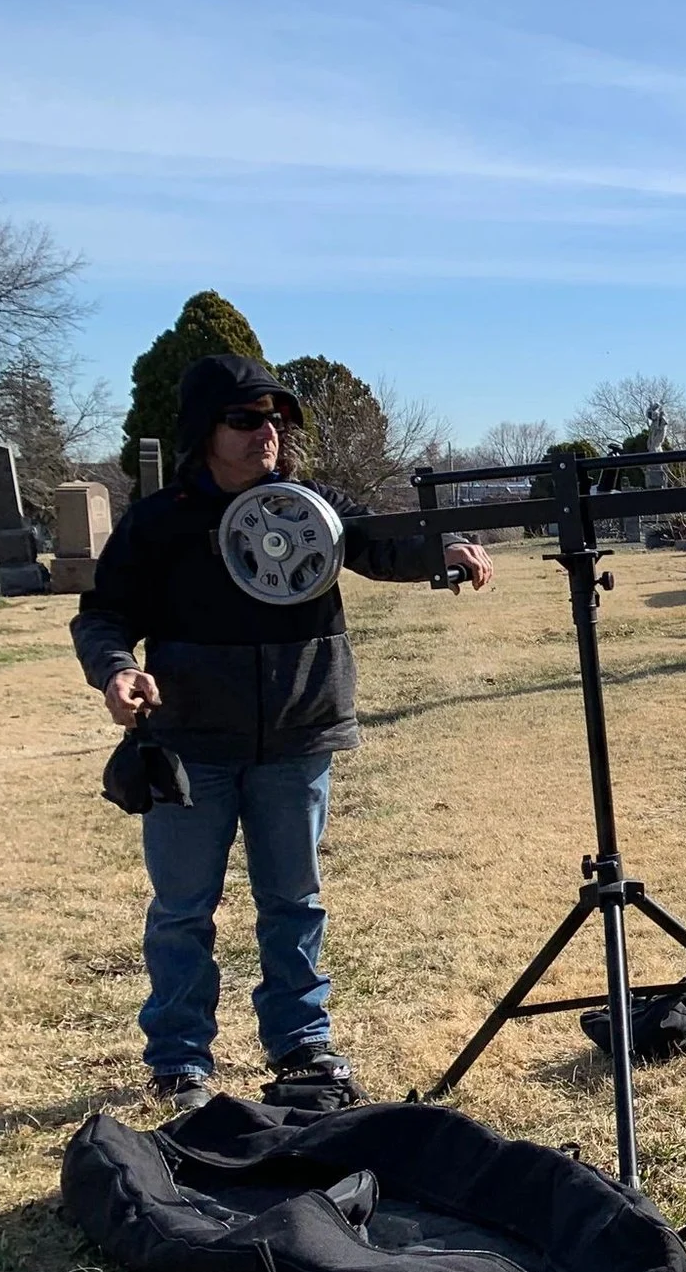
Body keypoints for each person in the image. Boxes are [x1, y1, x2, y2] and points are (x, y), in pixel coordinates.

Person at [71, 354, 494, 1115]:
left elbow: (374, 542)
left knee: (294, 898)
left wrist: (442, 550)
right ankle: (177, 1061)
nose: (266, 431)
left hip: (297, 736)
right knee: (182, 910)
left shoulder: (311, 505)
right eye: (245, 418)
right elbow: (102, 612)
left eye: (276, 417)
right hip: (191, 743)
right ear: (205, 430)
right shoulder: (158, 523)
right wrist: (113, 671)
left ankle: (300, 1043)